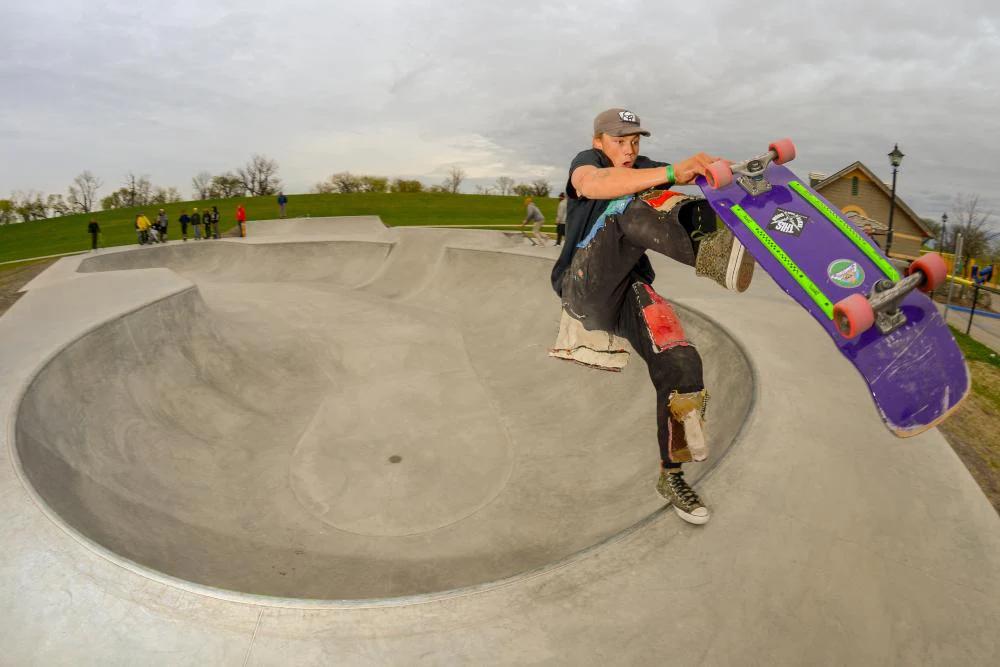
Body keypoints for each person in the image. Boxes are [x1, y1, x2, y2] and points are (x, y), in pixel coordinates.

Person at [548, 108, 755, 525]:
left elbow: (689, 177)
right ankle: (713, 255)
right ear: (599, 142)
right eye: (619, 142)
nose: (629, 151)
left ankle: (671, 474)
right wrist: (671, 173)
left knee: (682, 363)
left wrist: (735, 173)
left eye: (635, 142)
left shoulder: (644, 165)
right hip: (584, 286)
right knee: (629, 201)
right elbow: (592, 184)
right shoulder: (588, 162)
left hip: (627, 292)